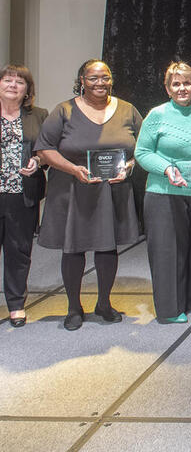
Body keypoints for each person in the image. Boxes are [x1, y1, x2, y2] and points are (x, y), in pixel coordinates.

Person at [35, 59, 141, 331]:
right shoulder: (64, 111)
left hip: (112, 190)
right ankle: (73, 307)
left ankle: (104, 303)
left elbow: (144, 146)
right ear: (81, 80)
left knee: (108, 247)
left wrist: (129, 167)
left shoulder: (127, 110)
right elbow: (44, 148)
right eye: (93, 78)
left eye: (104, 77)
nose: (100, 83)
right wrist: (73, 169)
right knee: (73, 248)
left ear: (111, 80)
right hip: (73, 189)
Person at [135, 62, 191, 324]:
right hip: (163, 192)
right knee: (168, 251)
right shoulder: (156, 115)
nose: (182, 88)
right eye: (176, 84)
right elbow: (142, 153)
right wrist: (167, 168)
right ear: (168, 88)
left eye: (187, 83)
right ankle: (170, 310)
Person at [0, 65, 47, 328]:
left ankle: (16, 304)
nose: (13, 85)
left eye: (20, 82)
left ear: (27, 89)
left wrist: (38, 161)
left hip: (22, 194)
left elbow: (48, 149)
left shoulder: (39, 115)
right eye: (7, 80)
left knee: (19, 251)